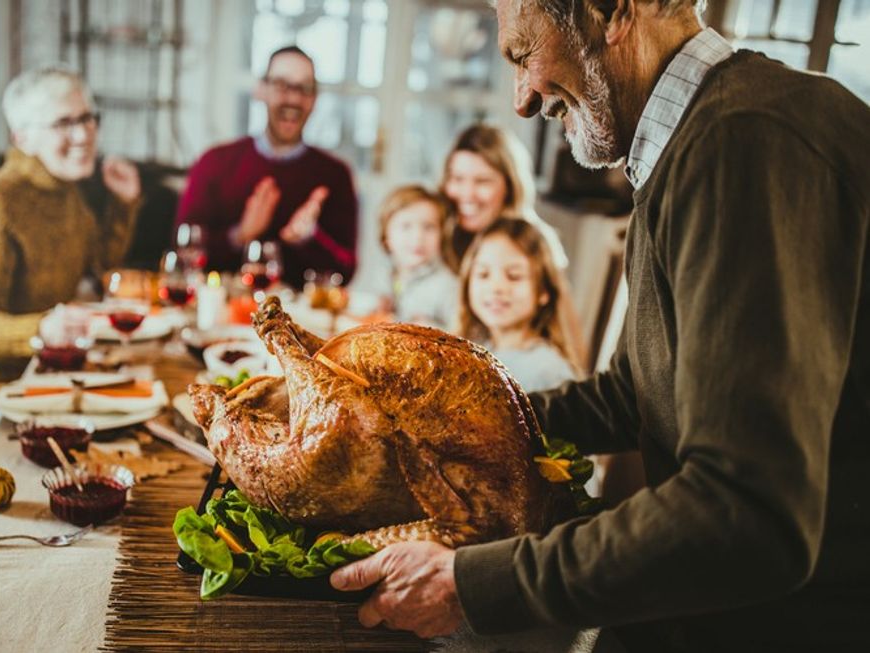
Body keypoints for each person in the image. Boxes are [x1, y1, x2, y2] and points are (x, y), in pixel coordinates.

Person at [330, 0, 870, 650]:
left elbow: (748, 512)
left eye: (524, 54)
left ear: (610, 10)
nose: (522, 100)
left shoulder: (746, 138)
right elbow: (631, 393)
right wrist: (448, 433)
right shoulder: (687, 144)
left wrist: (471, 583)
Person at [0, 66, 141, 453]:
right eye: (64, 122)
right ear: (22, 137)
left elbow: (99, 262)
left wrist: (124, 204)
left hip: (35, 383)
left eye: (88, 117)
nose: (84, 133)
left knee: (128, 424)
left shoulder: (67, 191)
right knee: (82, 445)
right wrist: (42, 330)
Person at [175, 46, 358, 289]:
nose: (293, 99)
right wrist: (240, 235)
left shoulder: (335, 175)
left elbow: (345, 271)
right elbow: (182, 254)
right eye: (282, 85)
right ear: (260, 90)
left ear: (314, 99)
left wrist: (309, 239)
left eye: (304, 88)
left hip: (300, 321)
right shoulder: (215, 162)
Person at [441, 123, 586, 364]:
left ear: (509, 185)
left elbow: (573, 352)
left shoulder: (534, 242)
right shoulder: (452, 230)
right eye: (457, 179)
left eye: (482, 181)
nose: (466, 193)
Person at [459, 217, 578, 393]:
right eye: (483, 274)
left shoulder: (549, 372)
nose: (496, 287)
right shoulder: (472, 351)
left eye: (514, 276)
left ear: (543, 290)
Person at [376, 185, 458, 330]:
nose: (418, 237)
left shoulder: (448, 286)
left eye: (429, 227)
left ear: (442, 236)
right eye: (406, 226)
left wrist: (431, 328)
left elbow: (464, 336)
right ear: (386, 237)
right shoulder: (386, 274)